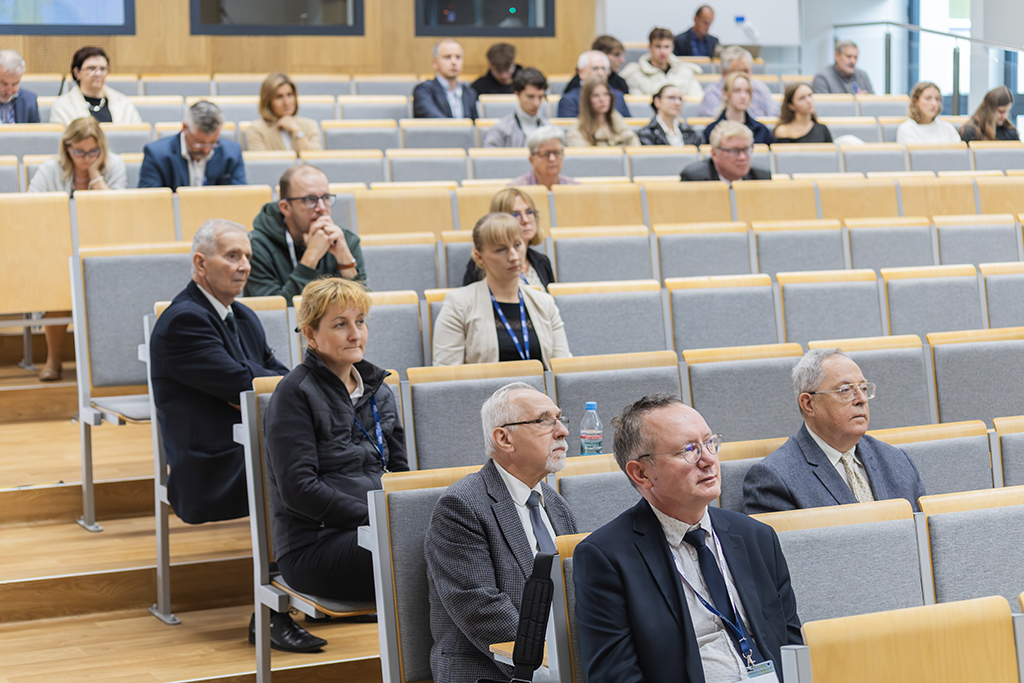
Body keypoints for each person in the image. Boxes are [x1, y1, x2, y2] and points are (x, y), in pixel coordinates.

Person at [149, 219, 323, 653]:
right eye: (232, 256)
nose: (244, 266)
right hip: (210, 460)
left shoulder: (242, 315)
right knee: (294, 470)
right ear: (200, 263)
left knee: (335, 456)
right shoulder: (183, 322)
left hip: (248, 440)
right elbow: (248, 384)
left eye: (247, 256)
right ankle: (270, 614)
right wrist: (256, 388)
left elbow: (277, 380)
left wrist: (258, 388)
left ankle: (312, 586)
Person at [573, 394, 802, 683]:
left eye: (709, 442)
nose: (708, 460)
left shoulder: (756, 536)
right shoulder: (606, 557)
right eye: (688, 450)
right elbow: (616, 676)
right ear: (641, 473)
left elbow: (791, 644)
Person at [265, 277, 408, 606]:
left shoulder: (379, 391)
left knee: (466, 538)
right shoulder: (293, 393)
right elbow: (299, 489)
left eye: (360, 322)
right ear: (311, 334)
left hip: (380, 530)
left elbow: (400, 472)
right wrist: (376, 518)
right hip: (316, 545)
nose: (355, 334)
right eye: (340, 324)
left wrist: (401, 515)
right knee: (434, 554)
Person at [423, 382, 578, 683]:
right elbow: (481, 609)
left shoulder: (557, 505)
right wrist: (555, 667)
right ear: (504, 438)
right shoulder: (461, 506)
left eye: (560, 419)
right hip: (492, 671)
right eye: (544, 421)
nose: (562, 431)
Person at [742, 348, 927, 515]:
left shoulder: (897, 461)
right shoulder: (774, 478)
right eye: (845, 390)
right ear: (808, 404)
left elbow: (921, 537)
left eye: (863, 388)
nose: (862, 399)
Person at [28, 117, 127, 382]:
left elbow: (116, 212)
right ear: (66, 147)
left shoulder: (114, 165)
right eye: (79, 152)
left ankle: (103, 362)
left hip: (104, 247)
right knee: (57, 280)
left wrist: (95, 174)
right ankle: (53, 359)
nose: (86, 157)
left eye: (93, 151)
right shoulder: (50, 169)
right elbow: (32, 210)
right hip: (57, 247)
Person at [432, 213, 571, 369]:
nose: (513, 256)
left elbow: (563, 370)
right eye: (501, 249)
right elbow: (446, 378)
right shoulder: (458, 304)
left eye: (518, 245)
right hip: (485, 393)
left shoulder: (544, 302)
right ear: (479, 257)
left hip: (540, 393)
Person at [246, 165, 365, 299]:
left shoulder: (345, 240)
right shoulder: (255, 247)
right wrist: (311, 258)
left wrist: (345, 260)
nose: (321, 208)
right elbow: (275, 314)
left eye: (325, 197)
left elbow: (364, 311)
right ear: (286, 208)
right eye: (310, 199)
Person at [138, 100, 247, 190]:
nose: (206, 150)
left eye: (213, 142)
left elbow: (239, 197)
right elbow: (149, 202)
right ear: (185, 128)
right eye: (199, 143)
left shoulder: (232, 153)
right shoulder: (156, 154)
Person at [462, 188, 555, 289]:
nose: (525, 220)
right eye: (515, 214)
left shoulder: (542, 261)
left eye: (529, 212)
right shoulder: (482, 264)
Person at [49, 46, 142, 125]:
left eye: (103, 69)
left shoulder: (123, 103)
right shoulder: (62, 106)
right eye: (91, 68)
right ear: (77, 72)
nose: (98, 73)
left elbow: (135, 136)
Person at [246, 72, 322, 152]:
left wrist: (296, 130)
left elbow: (314, 159)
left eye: (289, 95)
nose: (286, 102)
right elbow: (262, 163)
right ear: (268, 101)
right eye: (279, 97)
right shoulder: (256, 130)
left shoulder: (310, 125)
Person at [696, 45, 779, 118]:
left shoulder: (760, 88)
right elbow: (714, 127)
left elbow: (773, 118)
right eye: (737, 72)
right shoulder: (712, 93)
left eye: (746, 71)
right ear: (724, 73)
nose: (743, 77)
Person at [620, 27, 704, 99]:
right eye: (658, 46)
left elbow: (696, 100)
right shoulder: (635, 74)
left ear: (672, 48)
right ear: (650, 47)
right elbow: (639, 108)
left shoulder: (685, 72)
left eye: (666, 47)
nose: (662, 51)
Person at [681, 120, 771, 182]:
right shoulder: (695, 179)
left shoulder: (761, 178)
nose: (742, 157)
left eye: (746, 149)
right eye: (734, 151)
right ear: (714, 154)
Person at [481, 68, 549, 148]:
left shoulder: (551, 131)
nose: (536, 103)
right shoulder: (500, 130)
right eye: (530, 97)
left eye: (540, 97)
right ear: (517, 94)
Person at [701, 71, 774, 145]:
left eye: (747, 91)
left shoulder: (761, 130)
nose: (743, 96)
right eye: (737, 91)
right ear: (725, 94)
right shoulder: (712, 130)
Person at [413, 39, 479, 120]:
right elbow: (433, 120)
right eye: (447, 57)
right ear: (434, 63)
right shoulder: (424, 90)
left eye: (458, 57)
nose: (454, 62)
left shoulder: (470, 93)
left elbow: (475, 126)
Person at [566, 76, 640, 148]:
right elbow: (583, 159)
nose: (602, 99)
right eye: (595, 96)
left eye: (605, 94)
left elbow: (635, 151)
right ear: (587, 100)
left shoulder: (619, 124)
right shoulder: (576, 132)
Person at [557, 50, 631, 119]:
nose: (600, 73)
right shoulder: (569, 100)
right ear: (581, 72)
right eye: (595, 68)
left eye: (603, 69)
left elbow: (628, 126)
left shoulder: (618, 96)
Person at [509, 125, 578, 188]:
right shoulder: (516, 190)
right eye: (545, 154)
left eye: (557, 153)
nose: (552, 159)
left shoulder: (575, 189)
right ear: (531, 159)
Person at [896, 81, 960, 145]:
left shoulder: (947, 128)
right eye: (928, 98)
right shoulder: (907, 128)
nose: (934, 104)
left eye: (937, 99)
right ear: (916, 101)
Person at [564, 35, 630, 95]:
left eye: (603, 69)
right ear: (601, 54)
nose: (622, 60)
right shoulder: (577, 83)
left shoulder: (620, 82)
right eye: (616, 55)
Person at [0, 49, 39, 123]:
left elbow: (36, 133)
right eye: (4, 84)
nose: (9, 91)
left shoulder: (30, 101)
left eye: (14, 84)